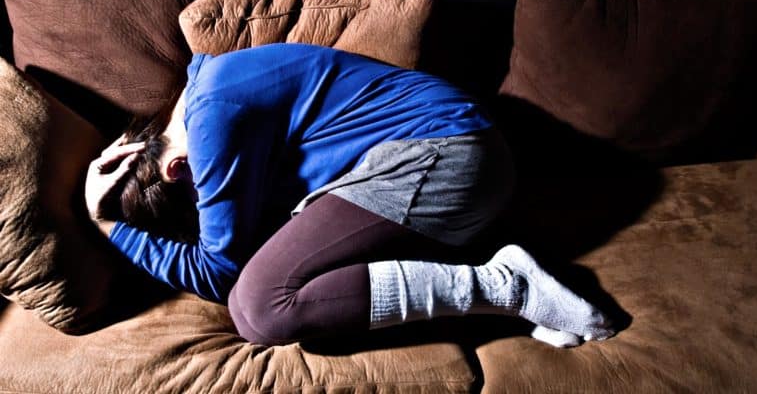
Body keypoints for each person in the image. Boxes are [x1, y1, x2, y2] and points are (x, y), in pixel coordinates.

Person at [85, 43, 613, 348]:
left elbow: (222, 270)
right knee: (269, 298)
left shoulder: (212, 117)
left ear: (178, 170)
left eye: (200, 204)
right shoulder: (203, 101)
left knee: (260, 308)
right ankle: (489, 268)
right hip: (441, 173)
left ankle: (508, 287)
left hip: (444, 154)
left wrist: (110, 226)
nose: (213, 207)